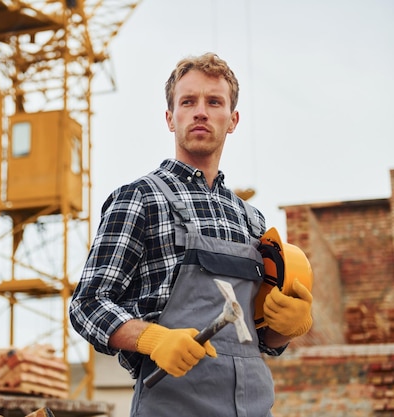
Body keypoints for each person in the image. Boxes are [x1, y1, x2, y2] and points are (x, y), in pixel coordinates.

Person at [69, 52, 313, 416]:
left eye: (214, 102)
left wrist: (289, 328)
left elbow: (259, 339)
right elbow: (87, 305)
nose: (201, 111)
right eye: (188, 101)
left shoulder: (252, 221)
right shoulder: (140, 199)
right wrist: (153, 339)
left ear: (232, 120)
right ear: (171, 118)